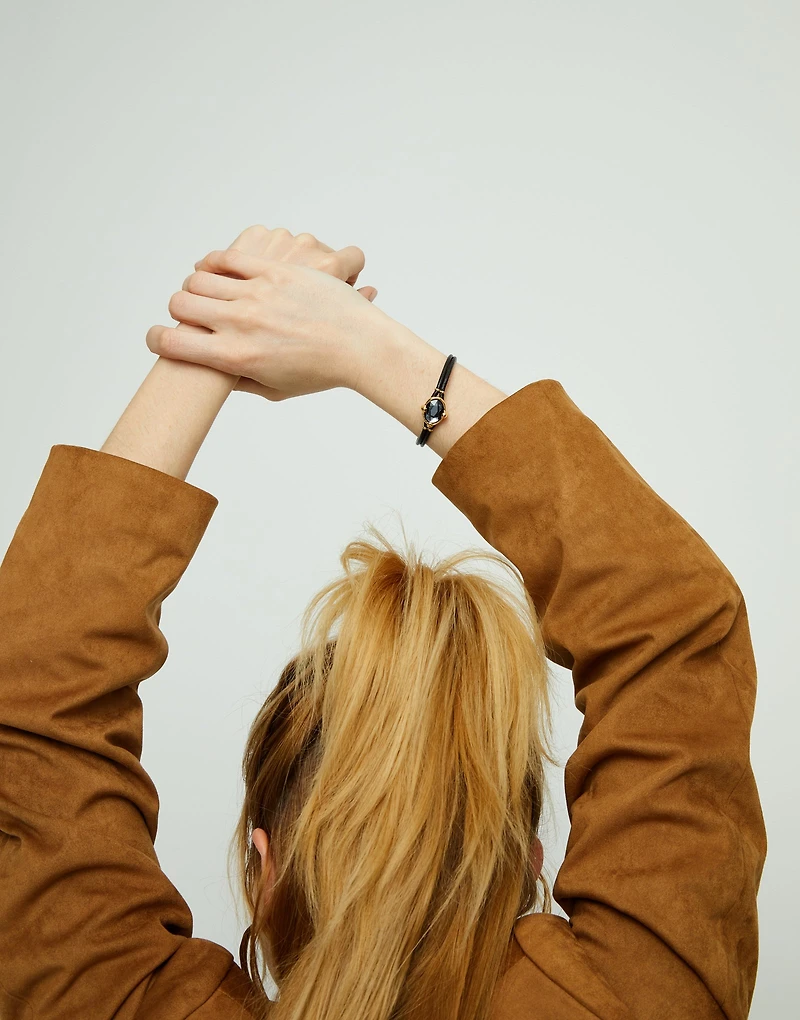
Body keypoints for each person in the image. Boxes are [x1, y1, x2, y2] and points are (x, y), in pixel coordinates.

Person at [0, 225, 766, 1020]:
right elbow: (674, 622)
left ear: (265, 871)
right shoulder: (623, 1004)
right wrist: (365, 347)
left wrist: (211, 335)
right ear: (532, 864)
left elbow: (29, 705)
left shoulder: (118, 1002)